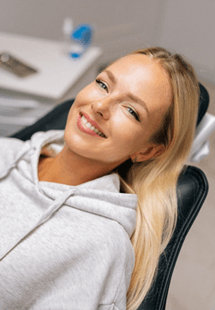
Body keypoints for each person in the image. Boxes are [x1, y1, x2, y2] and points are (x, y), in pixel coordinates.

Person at [0, 47, 199, 310]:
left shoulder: (102, 246)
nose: (100, 106)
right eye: (103, 84)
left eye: (131, 110)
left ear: (148, 150)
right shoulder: (9, 150)